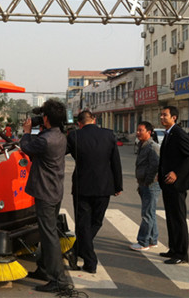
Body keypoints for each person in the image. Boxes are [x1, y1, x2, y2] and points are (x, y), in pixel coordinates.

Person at [20, 99, 69, 294]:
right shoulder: (60, 136)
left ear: (46, 118)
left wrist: (26, 131)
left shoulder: (45, 139)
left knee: (49, 236)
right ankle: (43, 269)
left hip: (45, 192)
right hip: (55, 190)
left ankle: (59, 280)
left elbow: (26, 147)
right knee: (46, 232)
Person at [67, 110, 123, 273]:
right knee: (96, 222)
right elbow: (115, 162)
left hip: (82, 186)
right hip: (104, 186)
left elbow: (59, 152)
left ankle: (78, 252)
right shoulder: (108, 135)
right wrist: (118, 185)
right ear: (94, 119)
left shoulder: (74, 136)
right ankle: (88, 259)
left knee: (83, 224)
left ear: (79, 123)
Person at [158, 106, 189, 264]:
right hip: (167, 184)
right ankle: (173, 249)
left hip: (177, 185)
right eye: (161, 115)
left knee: (178, 219)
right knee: (171, 217)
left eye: (165, 115)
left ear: (174, 117)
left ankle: (181, 254)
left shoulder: (179, 133)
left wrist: (177, 173)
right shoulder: (169, 133)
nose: (162, 117)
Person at [130, 121, 160, 251]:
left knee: (147, 214)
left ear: (149, 132)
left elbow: (154, 167)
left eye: (141, 130)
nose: (138, 133)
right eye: (137, 130)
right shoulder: (142, 145)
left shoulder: (152, 147)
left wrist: (147, 182)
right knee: (150, 212)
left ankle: (143, 242)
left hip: (150, 184)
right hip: (144, 183)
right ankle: (152, 239)